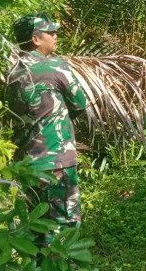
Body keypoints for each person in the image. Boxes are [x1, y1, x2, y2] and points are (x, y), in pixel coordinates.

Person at [6, 13, 88, 244]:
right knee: (63, 230)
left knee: (36, 227)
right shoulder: (55, 66)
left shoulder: (13, 72)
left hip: (26, 164)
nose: (55, 35)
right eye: (50, 32)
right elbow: (79, 104)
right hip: (56, 162)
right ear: (35, 39)